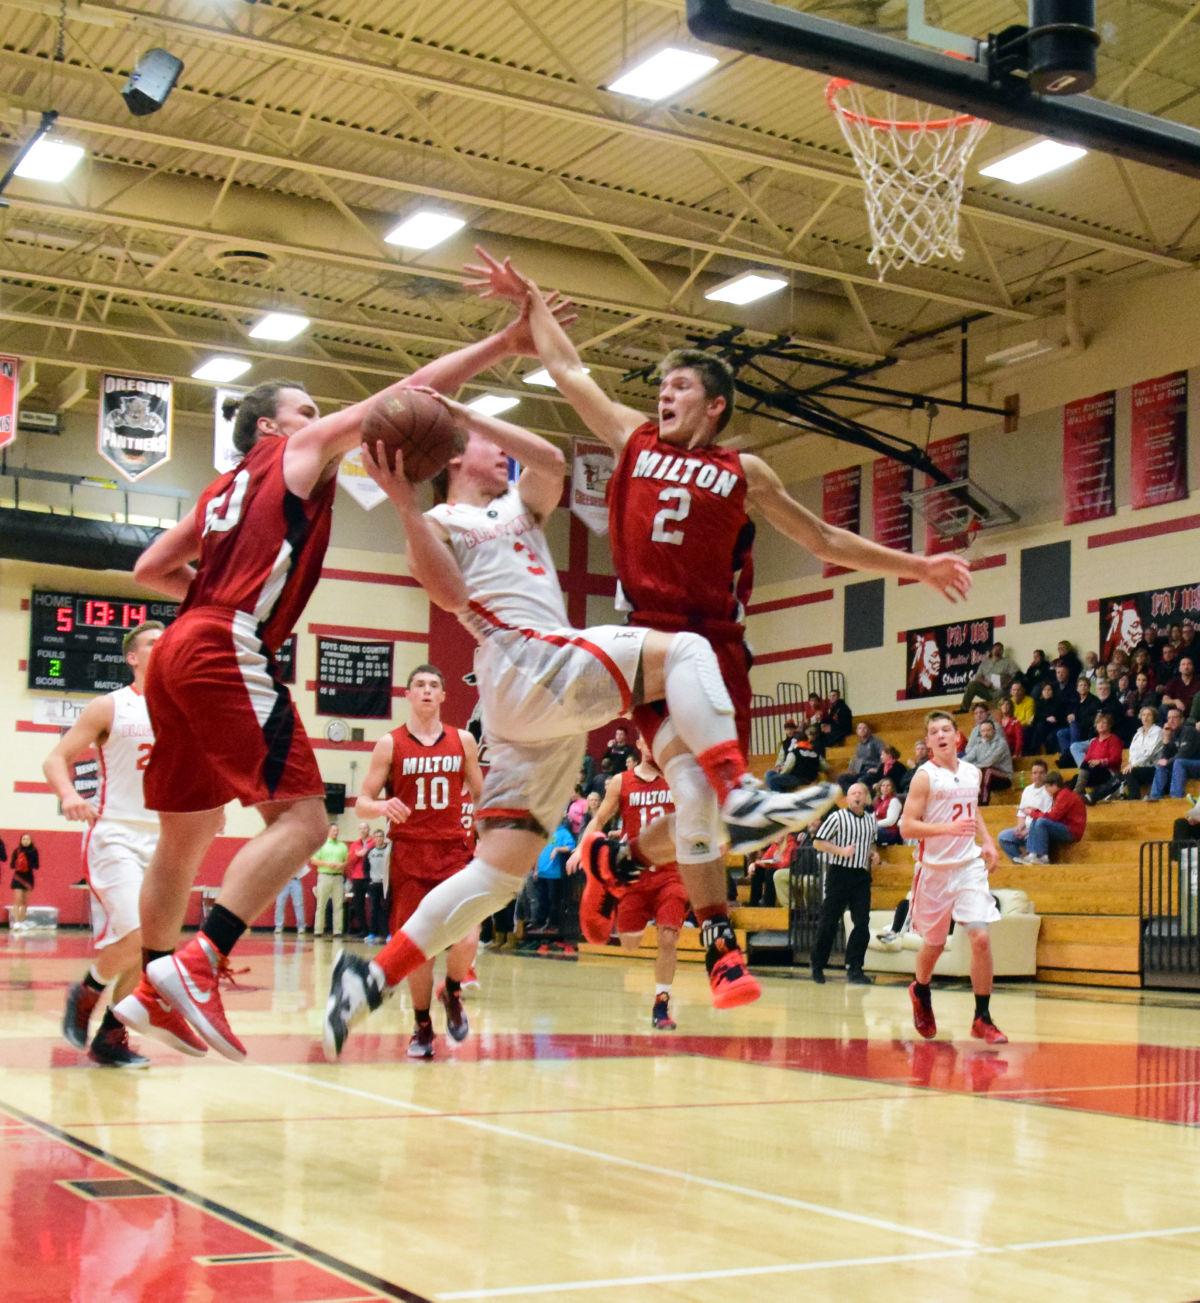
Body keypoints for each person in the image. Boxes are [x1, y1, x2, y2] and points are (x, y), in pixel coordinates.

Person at [461, 247, 971, 1005]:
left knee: (704, 809)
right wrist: (530, 296)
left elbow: (824, 541)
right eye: (662, 386)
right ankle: (722, 944)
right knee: (704, 793)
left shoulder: (746, 471)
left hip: (718, 653)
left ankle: (624, 860)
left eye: (680, 386)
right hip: (649, 646)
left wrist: (916, 567)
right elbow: (571, 373)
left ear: (714, 405)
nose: (664, 395)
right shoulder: (633, 439)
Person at [323, 392, 837, 1056]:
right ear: (451, 454)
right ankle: (738, 791)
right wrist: (402, 504)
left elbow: (551, 461)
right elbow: (447, 594)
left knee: (496, 877)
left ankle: (370, 976)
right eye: (482, 441)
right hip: (529, 661)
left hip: (529, 714)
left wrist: (466, 411)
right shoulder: (439, 518)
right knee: (684, 650)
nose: (501, 446)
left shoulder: (517, 507)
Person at [112, 302, 554, 1061]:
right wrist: (502, 343)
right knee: (307, 822)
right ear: (270, 429)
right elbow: (407, 392)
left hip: (184, 638)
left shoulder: (219, 492)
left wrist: (211, 602)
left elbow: (149, 569)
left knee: (184, 836)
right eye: (306, 410)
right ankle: (197, 965)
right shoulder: (293, 453)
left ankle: (151, 987)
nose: (321, 418)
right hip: (227, 641)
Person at [44, 621, 165, 1067]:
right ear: (132, 657)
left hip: (164, 840)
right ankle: (88, 991)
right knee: (136, 933)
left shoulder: (185, 709)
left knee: (148, 949)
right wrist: (70, 794)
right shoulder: (109, 706)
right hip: (115, 833)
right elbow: (55, 758)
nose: (164, 647)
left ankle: (111, 1039)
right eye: (154, 643)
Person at [353, 663, 483, 1058]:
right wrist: (380, 805)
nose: (426, 691)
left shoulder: (463, 740)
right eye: (419, 685)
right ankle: (422, 1024)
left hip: (454, 853)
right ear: (407, 695)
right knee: (419, 949)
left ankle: (455, 991)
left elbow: (482, 797)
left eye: (433, 685)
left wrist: (490, 838)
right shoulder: (389, 744)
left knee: (467, 937)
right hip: (409, 856)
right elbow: (360, 804)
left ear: (443, 696)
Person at [898, 710, 1007, 1045]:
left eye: (946, 728)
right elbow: (906, 826)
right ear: (929, 742)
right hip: (934, 872)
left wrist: (987, 841)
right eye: (934, 731)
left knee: (981, 938)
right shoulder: (924, 777)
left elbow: (972, 814)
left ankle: (982, 1017)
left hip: (968, 866)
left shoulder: (973, 773)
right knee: (934, 944)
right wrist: (947, 828)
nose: (941, 734)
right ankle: (921, 988)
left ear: (958, 736)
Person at [572, 734, 689, 1029]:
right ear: (640, 744)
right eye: (648, 738)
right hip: (632, 874)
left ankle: (661, 1004)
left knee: (668, 937)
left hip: (669, 872)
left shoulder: (677, 778)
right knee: (629, 944)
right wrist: (580, 849)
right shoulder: (621, 782)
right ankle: (609, 890)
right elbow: (598, 821)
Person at [810, 783, 879, 985]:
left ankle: (855, 968)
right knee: (829, 921)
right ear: (847, 798)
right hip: (839, 874)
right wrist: (841, 851)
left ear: (866, 797)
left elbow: (871, 843)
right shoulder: (837, 817)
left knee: (862, 922)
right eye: (853, 793)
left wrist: (874, 854)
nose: (857, 796)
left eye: (860, 793)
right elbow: (817, 842)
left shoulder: (871, 820)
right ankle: (818, 964)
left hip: (861, 876)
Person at [1018, 771, 1086, 864]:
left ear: (1054, 785)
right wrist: (1035, 813)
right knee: (1037, 819)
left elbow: (1053, 817)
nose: (1046, 790)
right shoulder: (1059, 794)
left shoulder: (1064, 795)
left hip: (1072, 831)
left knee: (1041, 822)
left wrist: (1032, 812)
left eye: (1047, 787)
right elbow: (1052, 816)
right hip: (1066, 827)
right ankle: (1032, 854)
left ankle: (1042, 856)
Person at [996, 760, 1053, 863]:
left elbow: (1045, 817)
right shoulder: (1027, 790)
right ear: (1031, 775)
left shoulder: (1049, 791)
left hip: (1038, 830)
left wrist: (1027, 832)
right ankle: (1021, 861)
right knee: (1003, 837)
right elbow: (1021, 813)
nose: (1038, 776)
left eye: (1041, 773)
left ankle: (1035, 857)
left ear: (1046, 774)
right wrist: (1019, 828)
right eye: (1035, 773)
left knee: (1037, 830)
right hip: (1025, 828)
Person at [531, 814, 576, 932]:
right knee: (541, 899)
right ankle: (540, 922)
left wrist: (557, 849)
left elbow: (571, 846)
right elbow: (537, 850)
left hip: (554, 874)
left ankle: (553, 924)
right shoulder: (543, 831)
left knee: (554, 900)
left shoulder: (563, 832)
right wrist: (535, 869)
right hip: (541, 872)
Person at [1073, 712, 1123, 803]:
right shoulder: (1094, 741)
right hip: (1095, 772)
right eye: (1098, 722)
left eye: (1104, 722)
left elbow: (1115, 759)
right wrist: (1092, 763)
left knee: (1086, 767)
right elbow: (1087, 760)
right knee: (1075, 778)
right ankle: (1078, 798)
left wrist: (1100, 761)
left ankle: (1076, 794)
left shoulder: (1114, 739)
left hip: (1109, 772)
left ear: (1109, 725)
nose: (1100, 725)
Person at [961, 719, 1012, 806]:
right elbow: (967, 758)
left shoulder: (1001, 744)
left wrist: (974, 767)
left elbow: (989, 762)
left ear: (994, 731)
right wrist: (958, 765)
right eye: (983, 731)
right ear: (980, 732)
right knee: (966, 770)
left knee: (987, 771)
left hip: (1004, 777)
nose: (985, 733)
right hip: (985, 778)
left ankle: (983, 803)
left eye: (988, 730)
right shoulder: (979, 745)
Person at [957, 642, 1020, 713]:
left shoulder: (1008, 662)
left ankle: (998, 713)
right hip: (987, 690)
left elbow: (1016, 675)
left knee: (1000, 692)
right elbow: (977, 676)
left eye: (1000, 649)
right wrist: (984, 682)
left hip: (1001, 689)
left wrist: (1007, 683)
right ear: (991, 650)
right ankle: (964, 709)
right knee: (972, 685)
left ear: (1002, 651)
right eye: (995, 648)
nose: (997, 650)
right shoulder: (985, 663)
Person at [311, 825, 348, 940]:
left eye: (337, 830)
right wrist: (327, 864)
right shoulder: (322, 844)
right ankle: (318, 930)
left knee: (338, 905)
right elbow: (313, 860)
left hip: (338, 877)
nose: (335, 832)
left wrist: (342, 865)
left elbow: (347, 861)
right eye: (333, 830)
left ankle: (337, 931)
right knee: (321, 905)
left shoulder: (342, 846)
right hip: (324, 876)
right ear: (328, 831)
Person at [1123, 706, 1165, 799]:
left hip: (1153, 768)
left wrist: (1133, 764)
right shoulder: (1138, 733)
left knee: (1130, 772)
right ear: (1140, 717)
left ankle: (1134, 799)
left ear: (1153, 718)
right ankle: (1094, 797)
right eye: (1143, 715)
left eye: (1149, 715)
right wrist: (1131, 763)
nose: (1145, 717)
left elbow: (1150, 753)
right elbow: (1132, 752)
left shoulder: (1158, 731)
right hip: (1138, 768)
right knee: (1120, 776)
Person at [837, 721, 885, 793]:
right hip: (862, 771)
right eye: (860, 728)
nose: (862, 730)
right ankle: (853, 793)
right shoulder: (859, 745)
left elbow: (885, 756)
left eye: (864, 728)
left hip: (872, 771)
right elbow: (857, 760)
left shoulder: (876, 741)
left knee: (861, 780)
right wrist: (852, 770)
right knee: (842, 778)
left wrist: (878, 769)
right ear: (857, 731)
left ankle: (863, 795)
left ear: (869, 730)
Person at [344, 822, 373, 939]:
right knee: (358, 905)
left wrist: (366, 854)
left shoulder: (373, 842)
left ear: (368, 830)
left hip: (370, 877)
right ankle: (363, 930)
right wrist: (358, 855)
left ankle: (374, 930)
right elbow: (350, 861)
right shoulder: (355, 844)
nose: (363, 830)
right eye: (360, 828)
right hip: (357, 877)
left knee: (374, 904)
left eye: (365, 828)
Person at [8, 835, 39, 932]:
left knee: (25, 902)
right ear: (21, 840)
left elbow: (36, 866)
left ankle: (22, 921)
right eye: (24, 839)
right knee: (17, 900)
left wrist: (28, 862)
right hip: (18, 878)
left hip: (28, 878)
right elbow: (12, 865)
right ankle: (16, 922)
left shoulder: (34, 851)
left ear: (31, 841)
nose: (25, 841)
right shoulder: (17, 851)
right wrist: (18, 862)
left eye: (28, 839)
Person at [364, 828, 390, 944]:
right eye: (376, 836)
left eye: (381, 836)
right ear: (373, 839)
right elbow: (365, 868)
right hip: (374, 884)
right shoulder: (370, 852)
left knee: (386, 909)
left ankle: (388, 934)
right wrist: (368, 881)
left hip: (385, 884)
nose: (379, 838)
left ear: (383, 838)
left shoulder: (389, 850)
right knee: (374, 909)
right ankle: (372, 933)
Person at [274, 865, 308, 936]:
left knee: (298, 904)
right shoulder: (280, 858)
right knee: (279, 904)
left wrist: (297, 875)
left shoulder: (297, 858)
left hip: (295, 880)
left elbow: (305, 869)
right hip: (283, 881)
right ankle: (278, 926)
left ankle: (301, 926)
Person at [873, 777, 903, 846]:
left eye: (888, 786)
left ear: (892, 788)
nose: (885, 788)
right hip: (879, 828)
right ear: (879, 788)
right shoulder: (879, 801)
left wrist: (873, 825)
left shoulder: (894, 801)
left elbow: (890, 821)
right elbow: (873, 816)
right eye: (883, 785)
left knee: (870, 832)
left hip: (890, 832)